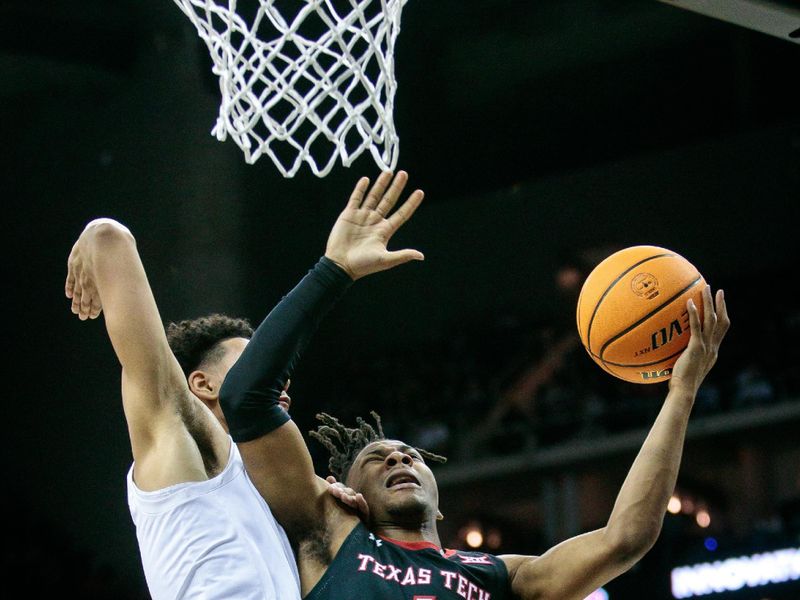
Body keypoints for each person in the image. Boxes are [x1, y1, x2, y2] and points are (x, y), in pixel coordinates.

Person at [216, 172, 730, 599]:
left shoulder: (497, 576)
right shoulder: (328, 537)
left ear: (440, 502)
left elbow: (625, 540)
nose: (399, 459)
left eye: (408, 455)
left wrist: (680, 394)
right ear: (350, 495)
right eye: (378, 459)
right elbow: (245, 397)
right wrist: (333, 272)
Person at [63, 174, 397, 598]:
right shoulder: (179, 432)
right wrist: (96, 237)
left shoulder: (264, 501)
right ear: (200, 383)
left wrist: (336, 511)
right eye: (248, 360)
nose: (274, 373)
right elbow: (111, 239)